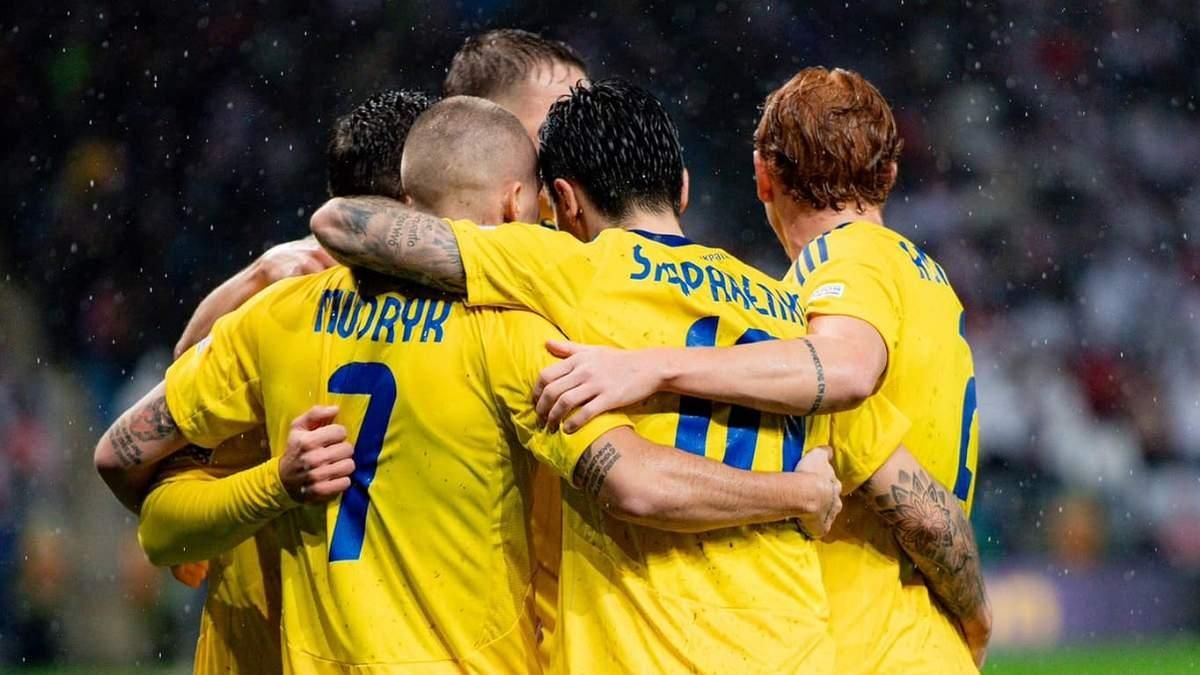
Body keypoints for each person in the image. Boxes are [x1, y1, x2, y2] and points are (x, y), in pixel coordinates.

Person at [96, 96, 842, 673]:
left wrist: (274, 483)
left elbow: (130, 475)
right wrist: (799, 493)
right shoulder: (523, 332)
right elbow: (633, 480)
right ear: (518, 205)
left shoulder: (278, 314)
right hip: (779, 639)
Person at [311, 79, 924, 674]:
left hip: (647, 653)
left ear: (565, 201)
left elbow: (343, 224)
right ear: (682, 188)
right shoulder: (784, 305)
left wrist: (295, 260)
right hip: (792, 648)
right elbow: (907, 496)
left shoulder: (570, 266)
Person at [519, 67, 993, 671]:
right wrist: (972, 610)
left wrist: (656, 366)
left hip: (866, 645)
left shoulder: (838, 267)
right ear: (890, 173)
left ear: (763, 176)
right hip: (929, 643)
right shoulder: (927, 278)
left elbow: (848, 379)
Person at [139, 88, 434, 675]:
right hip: (312, 640)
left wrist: (253, 278)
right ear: (415, 198)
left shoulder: (276, 304)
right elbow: (148, 490)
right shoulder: (286, 300)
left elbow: (133, 463)